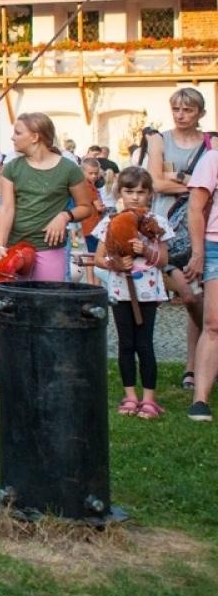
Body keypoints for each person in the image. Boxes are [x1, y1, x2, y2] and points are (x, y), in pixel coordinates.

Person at [88, 167, 168, 420]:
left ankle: (149, 398)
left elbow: (163, 259)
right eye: (129, 191)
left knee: (145, 345)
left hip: (148, 292)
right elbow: (100, 258)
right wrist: (115, 263)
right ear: (119, 192)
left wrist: (146, 249)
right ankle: (130, 395)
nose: (135, 197)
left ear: (150, 194)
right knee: (126, 343)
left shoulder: (156, 222)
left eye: (141, 192)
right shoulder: (111, 222)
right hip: (121, 291)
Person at [147, 87, 210, 391]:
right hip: (166, 228)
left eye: (188, 110)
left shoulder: (209, 144)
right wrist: (194, 185)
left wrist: (181, 181)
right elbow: (155, 181)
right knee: (189, 295)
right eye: (177, 109)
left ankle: (194, 366)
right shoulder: (160, 139)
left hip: (201, 225)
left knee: (200, 296)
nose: (181, 115)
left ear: (200, 113)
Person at [0, 113, 97, 284]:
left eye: (18, 133)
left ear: (35, 137)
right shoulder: (11, 168)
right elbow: (6, 208)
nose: (12, 137)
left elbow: (86, 207)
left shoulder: (68, 169)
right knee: (14, 304)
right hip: (16, 247)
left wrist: (65, 216)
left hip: (49, 247)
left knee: (47, 301)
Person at [184, 140, 218, 421]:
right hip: (216, 246)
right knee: (214, 323)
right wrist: (197, 253)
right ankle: (200, 400)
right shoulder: (212, 159)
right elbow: (195, 208)